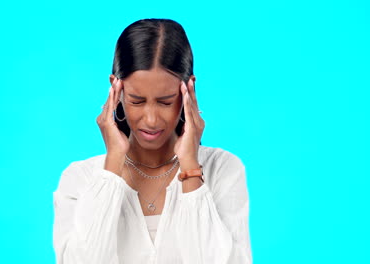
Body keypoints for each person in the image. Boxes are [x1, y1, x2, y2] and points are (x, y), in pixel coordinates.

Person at [53, 18, 252, 264]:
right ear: (116, 89)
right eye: (137, 100)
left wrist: (190, 166)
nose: (150, 119)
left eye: (165, 102)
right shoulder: (80, 179)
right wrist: (113, 164)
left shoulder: (223, 170)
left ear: (188, 90)